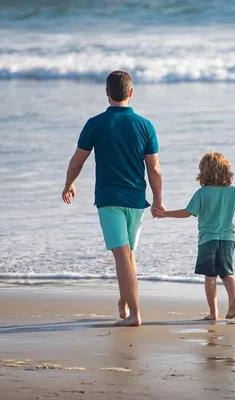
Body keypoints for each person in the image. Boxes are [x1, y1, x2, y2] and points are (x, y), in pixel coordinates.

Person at [62, 70, 164, 327]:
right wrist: (158, 200)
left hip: (109, 199)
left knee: (122, 256)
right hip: (136, 199)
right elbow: (154, 168)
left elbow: (77, 161)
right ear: (131, 93)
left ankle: (135, 315)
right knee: (128, 256)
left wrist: (69, 184)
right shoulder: (145, 125)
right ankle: (125, 301)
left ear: (107, 93)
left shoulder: (95, 123)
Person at [155, 151, 235, 321]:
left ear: (203, 172)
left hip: (208, 240)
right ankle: (232, 298)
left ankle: (213, 313)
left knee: (210, 278)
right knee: (227, 274)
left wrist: (166, 214)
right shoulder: (233, 191)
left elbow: (187, 213)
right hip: (227, 240)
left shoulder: (202, 193)